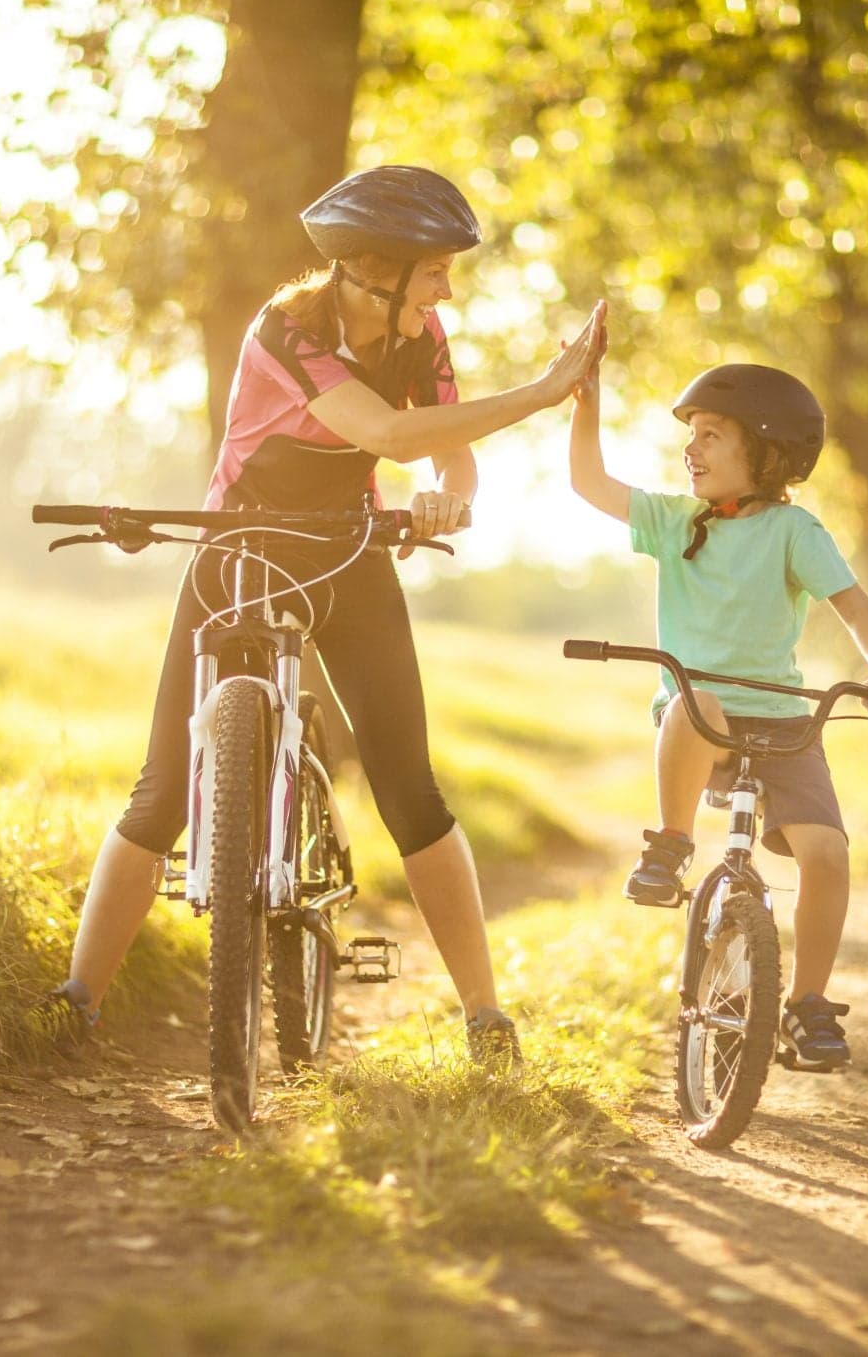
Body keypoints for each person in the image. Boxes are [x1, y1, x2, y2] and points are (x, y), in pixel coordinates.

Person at [49, 165, 605, 1065]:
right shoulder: (286, 332)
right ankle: (76, 1002)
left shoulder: (422, 337)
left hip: (349, 555)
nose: (447, 288)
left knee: (410, 792)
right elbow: (383, 434)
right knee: (160, 791)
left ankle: (483, 1015)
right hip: (239, 551)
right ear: (375, 272)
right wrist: (541, 393)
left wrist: (446, 497)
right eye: (434, 272)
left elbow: (446, 453)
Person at [565, 331, 868, 1069]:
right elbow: (589, 484)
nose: (691, 449)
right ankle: (669, 846)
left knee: (828, 853)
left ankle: (808, 1006)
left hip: (784, 721)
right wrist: (585, 400)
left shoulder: (792, 530)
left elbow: (855, 606)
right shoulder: (673, 521)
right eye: (690, 436)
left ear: (764, 453)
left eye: (711, 436)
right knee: (704, 705)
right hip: (699, 721)